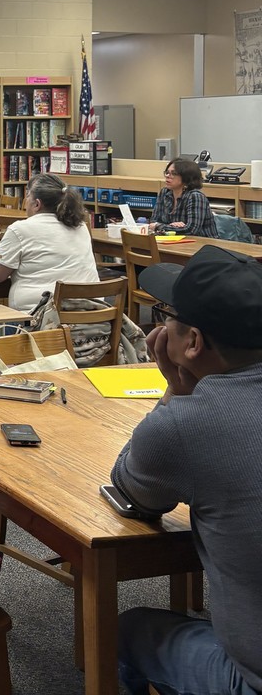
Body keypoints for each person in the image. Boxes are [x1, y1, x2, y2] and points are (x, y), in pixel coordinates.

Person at [110, 245, 262, 695]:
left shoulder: (186, 424)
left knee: (130, 629)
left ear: (192, 342)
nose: (158, 327)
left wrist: (176, 392)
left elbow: (133, 492)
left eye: (164, 314)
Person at [0, 172, 99, 312]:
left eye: (27, 197)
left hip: (39, 322)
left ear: (37, 204)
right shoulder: (80, 226)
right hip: (91, 319)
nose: (26, 202)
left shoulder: (20, 230)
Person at [149, 158, 218, 237]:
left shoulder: (195, 196)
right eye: (167, 173)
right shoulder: (165, 192)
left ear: (186, 177)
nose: (168, 176)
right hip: (174, 240)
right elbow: (153, 221)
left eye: (173, 173)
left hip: (203, 244)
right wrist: (172, 227)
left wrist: (160, 226)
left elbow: (192, 230)